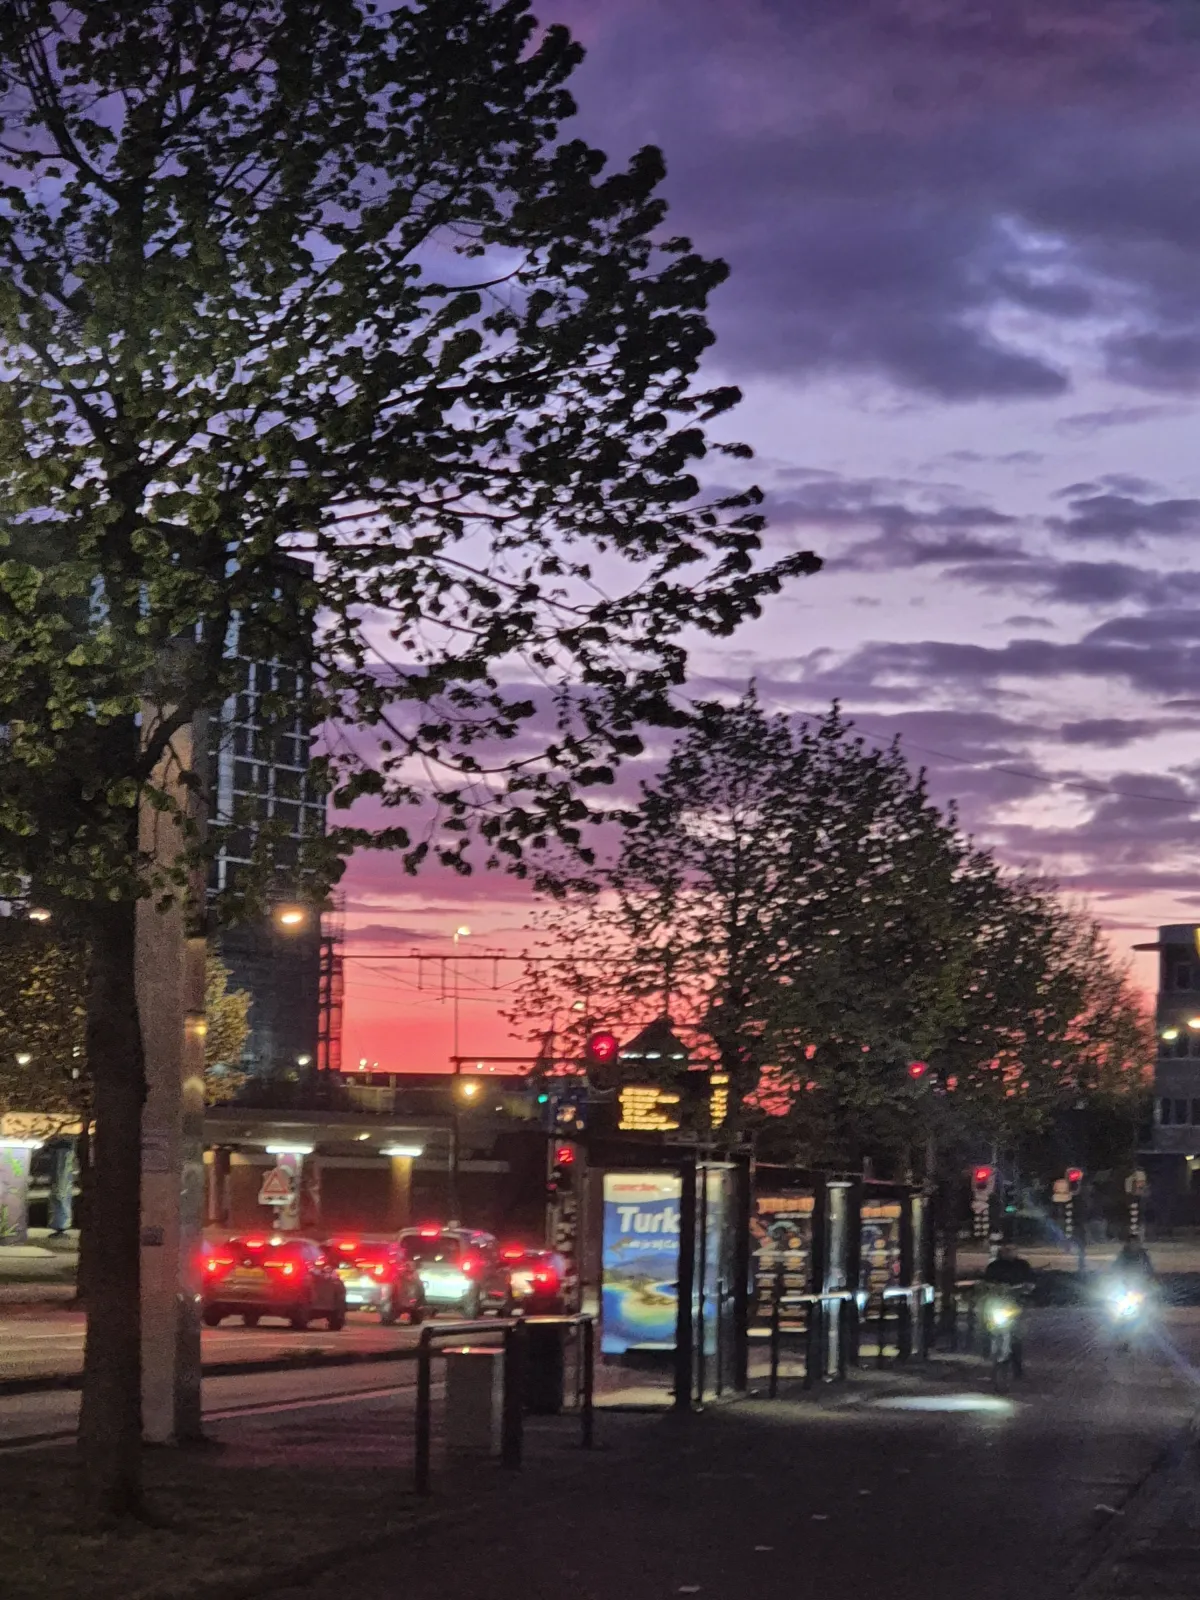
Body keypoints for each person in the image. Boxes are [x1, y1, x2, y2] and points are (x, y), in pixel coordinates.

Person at [982, 1242, 1037, 1375]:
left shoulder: (1022, 1266)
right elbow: (986, 1282)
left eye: (1012, 1250)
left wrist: (1026, 1288)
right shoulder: (994, 1266)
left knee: (1016, 1334)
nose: (1009, 1252)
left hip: (1015, 1305)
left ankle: (1017, 1366)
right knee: (986, 1324)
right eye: (1006, 1250)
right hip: (998, 1304)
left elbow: (1031, 1282)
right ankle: (986, 1350)